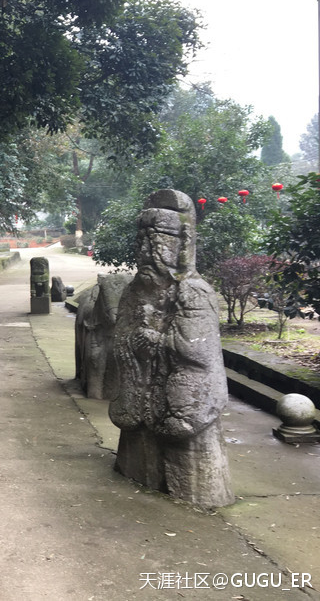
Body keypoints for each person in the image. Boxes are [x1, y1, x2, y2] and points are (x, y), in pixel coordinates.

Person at [108, 190, 234, 508]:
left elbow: (199, 353)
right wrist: (132, 345)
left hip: (184, 403)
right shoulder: (133, 292)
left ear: (182, 245)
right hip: (141, 396)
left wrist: (159, 341)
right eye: (142, 244)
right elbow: (120, 338)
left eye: (159, 243)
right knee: (138, 448)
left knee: (189, 467)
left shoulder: (193, 292)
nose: (148, 253)